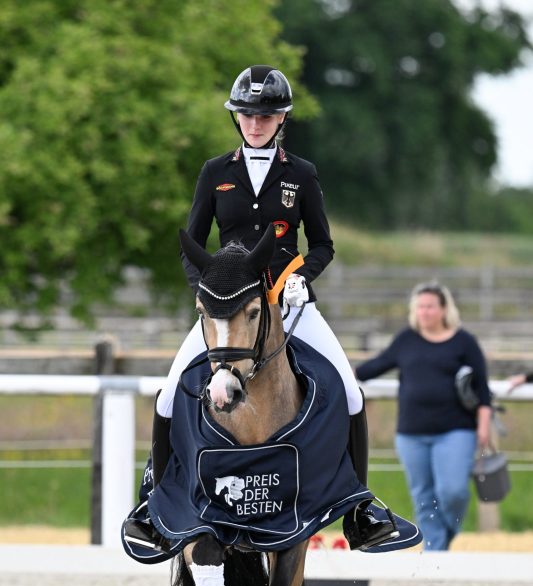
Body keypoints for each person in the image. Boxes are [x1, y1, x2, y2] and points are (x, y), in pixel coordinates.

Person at [130, 64, 394, 545]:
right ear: (238, 119)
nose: (256, 123)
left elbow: (323, 244)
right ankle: (152, 505)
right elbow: (191, 242)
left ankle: (360, 510)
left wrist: (303, 279)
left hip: (289, 301)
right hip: (229, 307)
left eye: (265, 116)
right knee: (170, 394)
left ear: (281, 119)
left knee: (352, 392)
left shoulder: (302, 174)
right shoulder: (215, 172)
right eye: (248, 115)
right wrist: (204, 291)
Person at [355, 282, 492, 551]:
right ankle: (435, 550)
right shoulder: (406, 339)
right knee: (423, 496)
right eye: (420, 307)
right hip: (411, 433)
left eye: (430, 306)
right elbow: (372, 368)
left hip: (456, 430)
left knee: (453, 491)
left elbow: (483, 389)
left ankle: (447, 532)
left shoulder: (464, 342)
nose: (424, 312)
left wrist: (484, 424)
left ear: (443, 309)